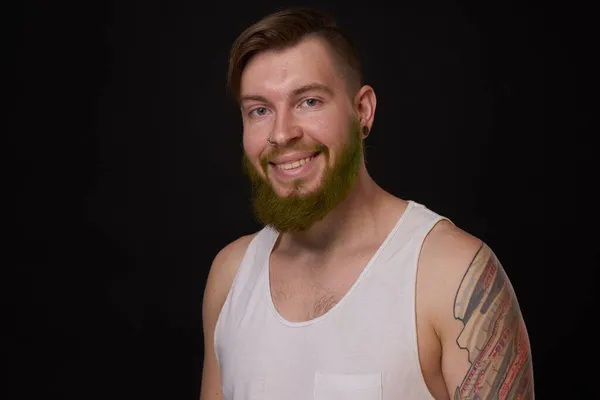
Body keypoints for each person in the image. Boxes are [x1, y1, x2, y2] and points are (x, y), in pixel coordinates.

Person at [200, 7, 534, 400]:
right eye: (259, 110)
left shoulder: (451, 273)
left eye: (308, 102)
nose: (281, 133)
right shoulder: (231, 276)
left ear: (362, 111)